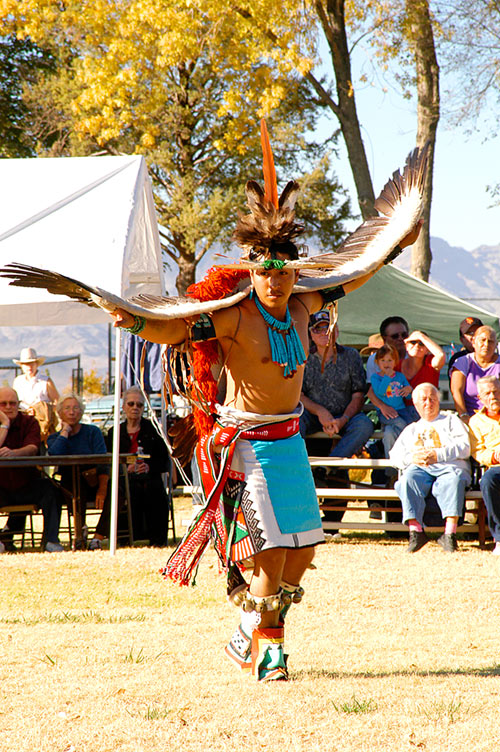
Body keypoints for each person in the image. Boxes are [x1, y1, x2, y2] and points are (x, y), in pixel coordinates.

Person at [389, 383, 471, 553]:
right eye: (423, 399)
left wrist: (438, 455)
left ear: (438, 401)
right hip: (421, 468)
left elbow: (465, 447)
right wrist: (412, 457)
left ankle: (449, 535)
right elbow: (394, 455)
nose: (428, 402)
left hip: (449, 466)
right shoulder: (411, 429)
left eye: (432, 398)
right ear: (416, 404)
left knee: (453, 480)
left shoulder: (451, 421)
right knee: (406, 480)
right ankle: (416, 532)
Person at [98, 386, 171, 547]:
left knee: (154, 489)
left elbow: (164, 461)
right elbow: (108, 461)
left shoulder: (153, 430)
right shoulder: (114, 432)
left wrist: (149, 466)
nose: (135, 408)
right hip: (123, 479)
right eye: (131, 404)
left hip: (149, 477)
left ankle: (157, 540)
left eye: (139, 405)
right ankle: (124, 537)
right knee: (123, 490)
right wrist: (125, 468)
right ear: (124, 407)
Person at [0, 387, 63, 553]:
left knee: (52, 490)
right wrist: (5, 425)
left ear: (18, 404)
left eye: (12, 403)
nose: (8, 407)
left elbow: (33, 447)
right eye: (3, 404)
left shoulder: (29, 422)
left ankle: (51, 541)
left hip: (26, 483)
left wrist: (14, 453)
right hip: (1, 486)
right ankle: (4, 539)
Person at [47, 394, 109, 549]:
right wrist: (65, 433)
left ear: (81, 413)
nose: (72, 412)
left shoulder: (93, 432)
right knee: (71, 479)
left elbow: (102, 461)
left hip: (94, 480)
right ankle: (80, 531)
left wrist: (102, 489)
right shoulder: (55, 438)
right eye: (67, 408)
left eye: (76, 408)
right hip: (70, 486)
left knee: (117, 491)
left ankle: (97, 538)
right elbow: (54, 455)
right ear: (60, 413)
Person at [468, 376, 500, 555]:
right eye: (488, 393)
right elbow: (478, 452)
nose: (493, 396)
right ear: (480, 398)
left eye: (496, 391)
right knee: (488, 480)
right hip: (496, 466)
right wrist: (494, 456)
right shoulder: (476, 422)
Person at [367, 343, 414, 456]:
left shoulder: (400, 376)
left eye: (390, 360)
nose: (386, 363)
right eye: (383, 360)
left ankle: (402, 455)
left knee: (407, 426)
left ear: (395, 362)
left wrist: (409, 389)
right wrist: (387, 377)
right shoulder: (376, 377)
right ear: (377, 362)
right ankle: (397, 456)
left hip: (402, 409)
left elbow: (407, 396)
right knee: (401, 423)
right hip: (385, 413)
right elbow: (380, 392)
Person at [450, 325, 500, 422]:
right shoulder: (463, 362)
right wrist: (464, 415)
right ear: (473, 342)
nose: (486, 344)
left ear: (495, 345)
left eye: (490, 341)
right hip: (470, 417)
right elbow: (456, 392)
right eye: (482, 340)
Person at [12, 347, 59, 441]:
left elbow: (58, 403)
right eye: (26, 364)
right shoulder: (18, 381)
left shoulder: (46, 381)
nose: (29, 367)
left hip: (43, 426)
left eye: (31, 363)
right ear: (21, 366)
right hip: (22, 424)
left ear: (36, 364)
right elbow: (14, 401)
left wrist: (40, 410)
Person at [365, 316, 409, 382]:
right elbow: (372, 388)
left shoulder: (416, 356)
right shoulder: (374, 359)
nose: (400, 338)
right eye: (395, 336)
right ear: (384, 339)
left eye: (404, 335)